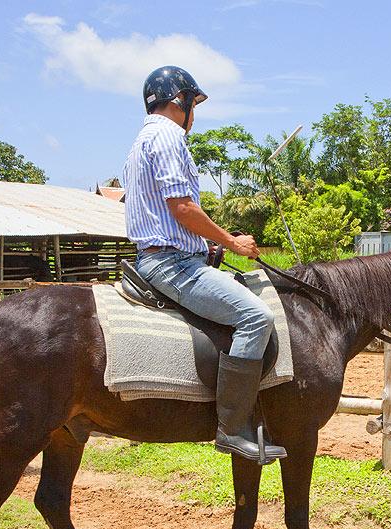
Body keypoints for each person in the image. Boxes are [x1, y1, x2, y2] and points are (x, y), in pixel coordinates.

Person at [122, 65, 286, 465]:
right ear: (181, 101)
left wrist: (207, 248)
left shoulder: (139, 141)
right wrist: (232, 242)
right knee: (256, 317)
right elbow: (182, 207)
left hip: (165, 256)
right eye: (194, 103)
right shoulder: (168, 135)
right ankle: (232, 429)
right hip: (172, 264)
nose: (194, 113)